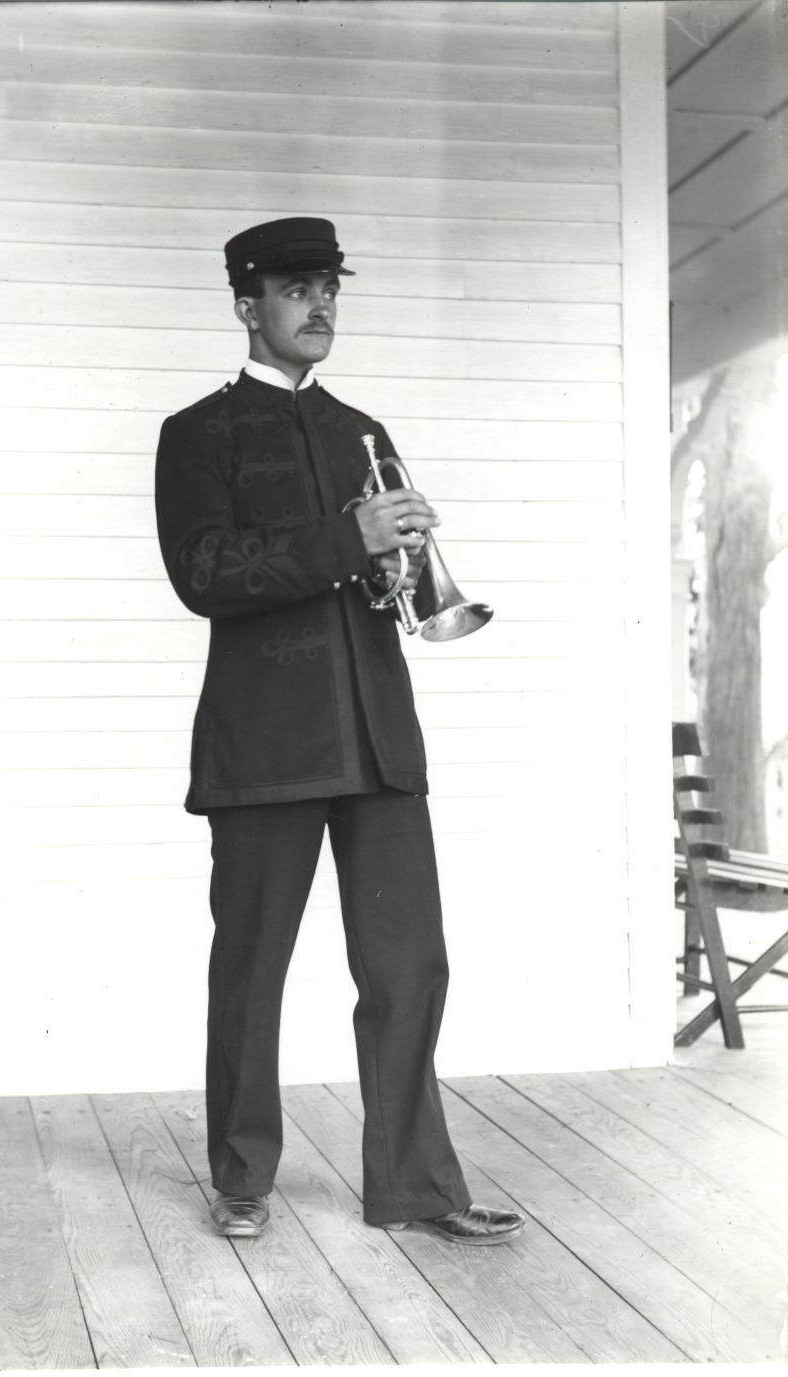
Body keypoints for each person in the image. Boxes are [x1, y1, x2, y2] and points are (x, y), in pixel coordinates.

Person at [154, 217, 526, 1246]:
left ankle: (416, 1187)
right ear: (246, 305)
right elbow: (205, 575)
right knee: (253, 969)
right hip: (266, 743)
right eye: (296, 289)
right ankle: (241, 1177)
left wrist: (394, 562)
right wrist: (346, 537)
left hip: (377, 735)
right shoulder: (197, 433)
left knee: (411, 968)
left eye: (329, 288)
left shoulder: (363, 427)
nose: (320, 306)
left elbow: (369, 577)